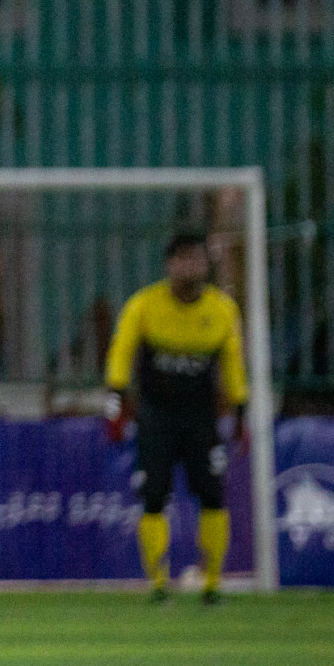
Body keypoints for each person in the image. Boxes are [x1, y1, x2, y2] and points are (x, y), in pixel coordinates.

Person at [105, 232, 248, 605]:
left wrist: (242, 414)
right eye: (182, 259)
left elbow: (233, 367)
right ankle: (157, 583)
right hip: (156, 417)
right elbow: (120, 357)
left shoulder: (222, 310)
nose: (190, 266)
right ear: (169, 264)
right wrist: (115, 405)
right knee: (153, 496)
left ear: (207, 263)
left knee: (214, 495)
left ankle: (212, 584)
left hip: (201, 418)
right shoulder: (145, 306)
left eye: (196, 258)